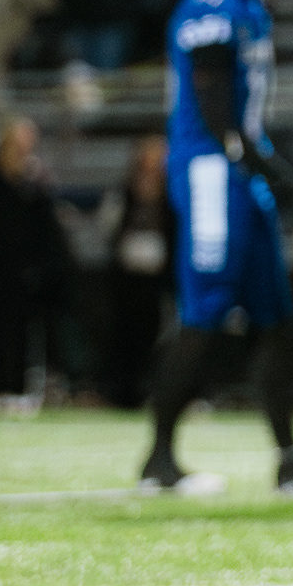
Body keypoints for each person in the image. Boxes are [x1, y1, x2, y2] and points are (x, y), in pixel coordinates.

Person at [141, 0, 293, 495]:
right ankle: (158, 460)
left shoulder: (243, 7)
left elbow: (241, 130)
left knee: (278, 320)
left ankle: (290, 459)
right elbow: (221, 122)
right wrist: (291, 183)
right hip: (211, 174)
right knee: (204, 315)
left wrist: (279, 179)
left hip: (238, 174)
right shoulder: (210, 4)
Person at [0, 119, 69, 407]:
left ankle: (16, 389)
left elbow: (46, 231)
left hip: (25, 274)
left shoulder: (34, 184)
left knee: (22, 333)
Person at [102, 135, 176, 407]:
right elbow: (110, 228)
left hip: (158, 279)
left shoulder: (171, 195)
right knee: (125, 336)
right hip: (127, 277)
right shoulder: (124, 192)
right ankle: (122, 392)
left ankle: (153, 390)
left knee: (156, 336)